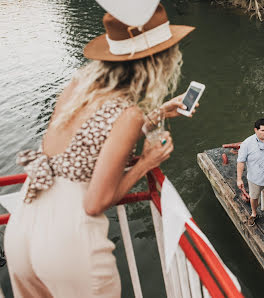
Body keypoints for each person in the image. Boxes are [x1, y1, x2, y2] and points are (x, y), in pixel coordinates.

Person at [4, 5, 195, 297]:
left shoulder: (77, 87)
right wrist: (146, 162)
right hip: (67, 242)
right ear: (157, 62)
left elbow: (86, 145)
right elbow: (95, 202)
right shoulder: (127, 114)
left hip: (24, 227)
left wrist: (156, 115)